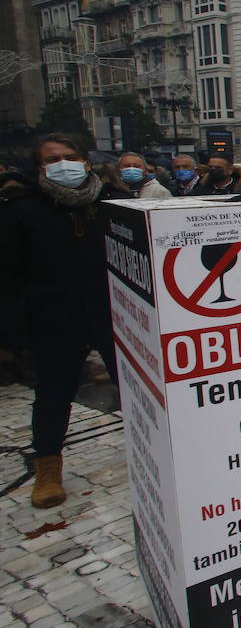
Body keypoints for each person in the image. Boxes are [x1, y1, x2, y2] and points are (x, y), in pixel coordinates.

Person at [0, 134, 122, 508]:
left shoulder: (113, 204)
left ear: (86, 162)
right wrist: (11, 334)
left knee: (137, 390)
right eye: (53, 159)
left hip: (115, 315)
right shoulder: (22, 210)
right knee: (53, 395)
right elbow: (8, 275)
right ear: (40, 169)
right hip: (53, 319)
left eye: (70, 157)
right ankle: (48, 468)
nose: (63, 164)